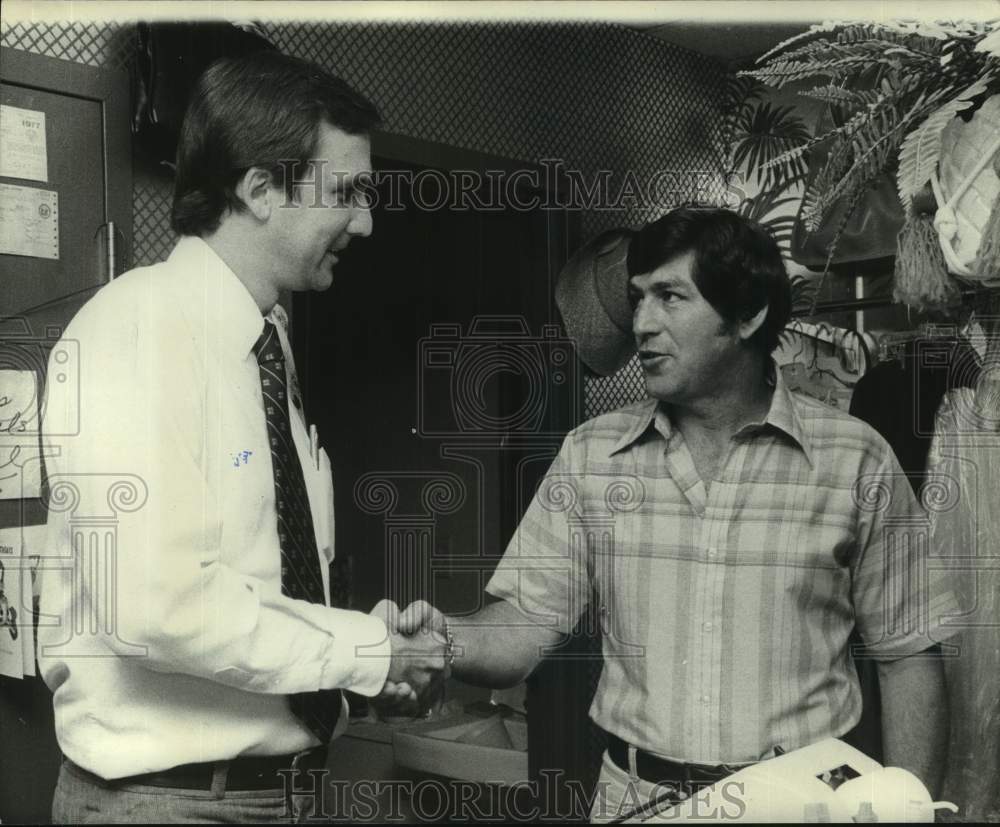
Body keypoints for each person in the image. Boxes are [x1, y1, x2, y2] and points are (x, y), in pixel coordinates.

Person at [402, 206, 957, 821]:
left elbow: (907, 656)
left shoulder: (855, 459)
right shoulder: (592, 455)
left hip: (803, 803)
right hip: (637, 802)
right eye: (638, 299)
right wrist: (442, 641)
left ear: (747, 315)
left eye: (670, 297)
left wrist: (910, 808)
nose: (641, 323)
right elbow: (526, 621)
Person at [39, 50, 446, 824]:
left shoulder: (267, 345)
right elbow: (160, 605)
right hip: (167, 803)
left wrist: (370, 655)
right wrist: (364, 650)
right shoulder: (138, 327)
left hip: (277, 790)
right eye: (349, 192)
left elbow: (258, 576)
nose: (365, 221)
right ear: (260, 189)